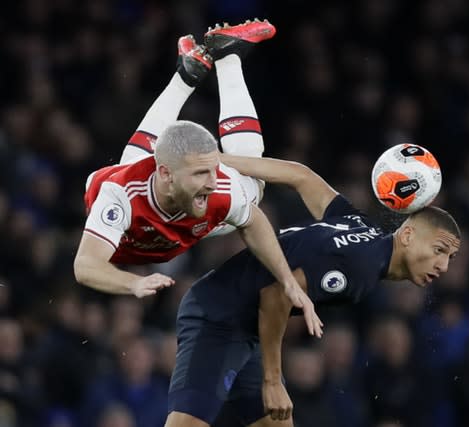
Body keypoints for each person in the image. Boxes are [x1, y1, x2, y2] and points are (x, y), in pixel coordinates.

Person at [165, 154, 461, 427]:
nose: (444, 266)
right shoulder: (362, 266)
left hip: (248, 325)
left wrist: (219, 160)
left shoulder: (360, 226)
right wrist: (272, 381)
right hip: (219, 314)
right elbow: (275, 295)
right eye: (439, 250)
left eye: (450, 257)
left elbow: (302, 176)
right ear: (407, 234)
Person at [72, 20, 321, 336]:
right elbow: (85, 266)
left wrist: (287, 281)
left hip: (171, 215)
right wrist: (134, 283)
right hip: (124, 206)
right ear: (166, 174)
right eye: (201, 173)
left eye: (213, 170)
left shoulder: (216, 188)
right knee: (137, 167)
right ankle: (216, 63)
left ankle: (205, 66)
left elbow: (253, 220)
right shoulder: (118, 198)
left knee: (250, 189)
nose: (213, 181)